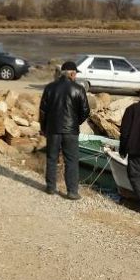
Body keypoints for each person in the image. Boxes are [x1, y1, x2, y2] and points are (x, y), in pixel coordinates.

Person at [39, 61, 91, 199]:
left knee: (51, 158)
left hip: (53, 129)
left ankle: (50, 188)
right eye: (75, 74)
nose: (76, 76)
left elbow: (43, 111)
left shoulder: (50, 88)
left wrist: (43, 128)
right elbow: (85, 111)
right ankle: (72, 192)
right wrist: (75, 122)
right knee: (71, 160)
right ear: (72, 73)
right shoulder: (78, 89)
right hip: (71, 131)